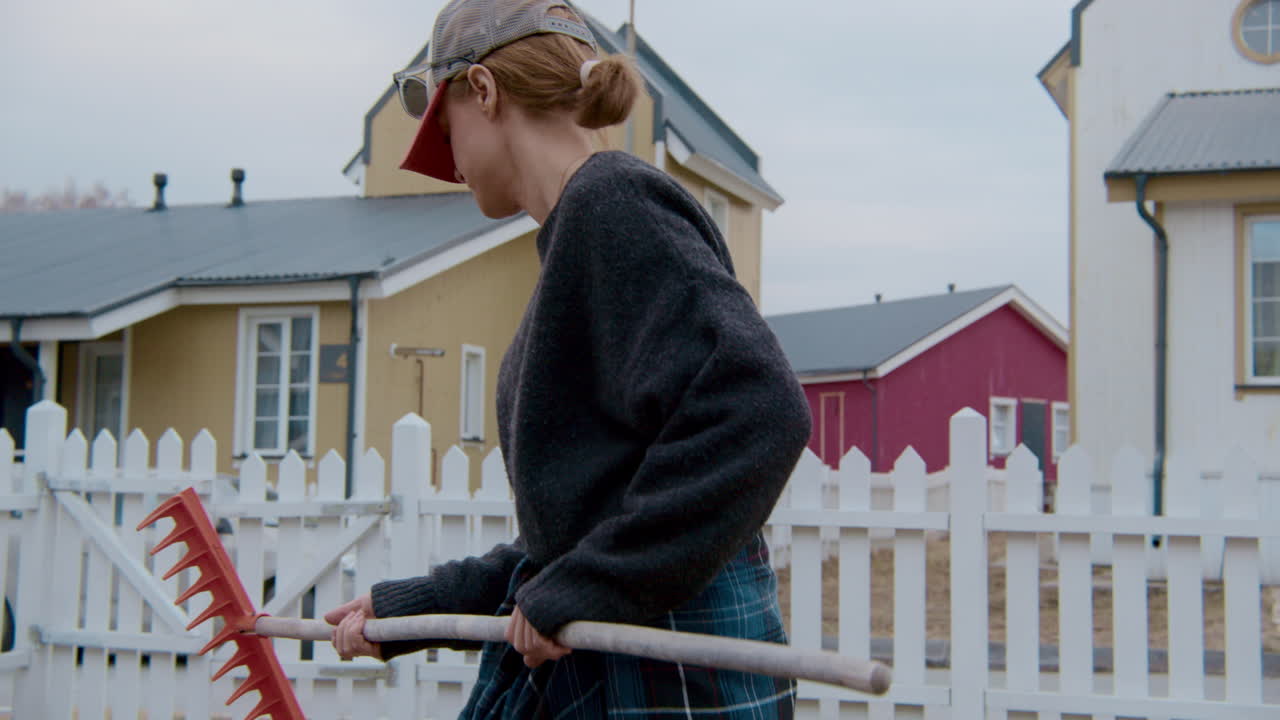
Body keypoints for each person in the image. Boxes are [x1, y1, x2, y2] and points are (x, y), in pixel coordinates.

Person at [325, 0, 812, 716]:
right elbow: (574, 535)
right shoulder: (580, 234)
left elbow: (760, 409)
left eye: (447, 124)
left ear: (483, 92)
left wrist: (598, 583)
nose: (450, 163)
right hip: (619, 658)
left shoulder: (613, 202)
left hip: (665, 671)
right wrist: (415, 607)